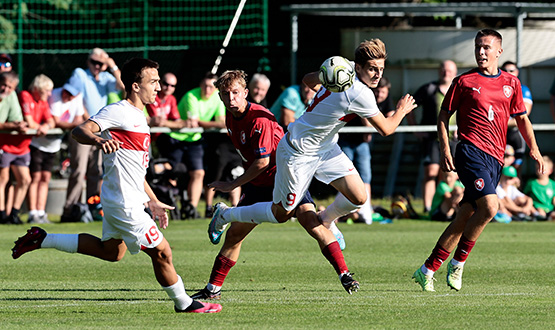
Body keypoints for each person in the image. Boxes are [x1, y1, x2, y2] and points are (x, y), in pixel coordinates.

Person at [11, 57, 222, 314]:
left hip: (122, 198)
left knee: (111, 252)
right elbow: (79, 131)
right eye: (153, 81)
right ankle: (184, 303)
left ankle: (43, 238)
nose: (158, 87)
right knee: (163, 252)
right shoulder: (119, 110)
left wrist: (152, 200)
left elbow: (136, 169)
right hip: (124, 202)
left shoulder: (139, 117)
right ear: (135, 85)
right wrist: (98, 141)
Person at [208, 39, 416, 260]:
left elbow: (308, 80)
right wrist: (401, 110)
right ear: (358, 67)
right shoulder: (360, 93)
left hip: (324, 147)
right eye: (373, 69)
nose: (377, 74)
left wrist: (326, 76)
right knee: (280, 214)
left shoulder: (340, 67)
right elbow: (386, 128)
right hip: (298, 151)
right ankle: (225, 213)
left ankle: (326, 219)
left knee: (358, 197)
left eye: (381, 69)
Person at [192, 70, 359, 299]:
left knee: (311, 222)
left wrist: (232, 185)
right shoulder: (231, 114)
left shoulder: (259, 119)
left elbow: (262, 162)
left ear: (246, 93)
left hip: (286, 177)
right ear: (220, 96)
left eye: (236, 93)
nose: (231, 98)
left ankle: (344, 274)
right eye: (226, 94)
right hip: (258, 184)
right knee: (235, 236)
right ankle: (212, 289)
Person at [412, 29, 544, 292]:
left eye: (486, 47)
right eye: (477, 47)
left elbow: (521, 119)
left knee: (465, 216)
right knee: (490, 207)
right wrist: (445, 149)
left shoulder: (512, 84)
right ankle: (458, 263)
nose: (481, 52)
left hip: (495, 159)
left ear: (498, 51)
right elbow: (443, 115)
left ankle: (428, 268)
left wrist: (535, 148)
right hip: (470, 152)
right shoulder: (464, 81)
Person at [61, 47, 124, 222]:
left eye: (100, 63)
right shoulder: (80, 74)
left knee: (95, 171)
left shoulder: (105, 78)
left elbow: (122, 86)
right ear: (88, 62)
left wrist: (112, 66)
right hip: (83, 129)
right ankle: (70, 209)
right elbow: (71, 96)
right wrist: (85, 118)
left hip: (99, 129)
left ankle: (91, 208)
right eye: (94, 62)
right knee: (78, 170)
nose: (97, 66)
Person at [166, 72, 225, 219]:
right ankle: (170, 207)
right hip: (176, 138)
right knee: (172, 172)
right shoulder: (191, 96)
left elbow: (221, 121)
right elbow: (197, 121)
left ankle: (192, 208)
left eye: (211, 87)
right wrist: (216, 124)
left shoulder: (218, 96)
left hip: (194, 139)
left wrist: (215, 123)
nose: (207, 90)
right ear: (200, 85)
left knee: (199, 173)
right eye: (204, 86)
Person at [408, 60, 458, 213]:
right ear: (438, 71)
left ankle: (446, 208)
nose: (446, 73)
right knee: (431, 172)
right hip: (432, 139)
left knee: (451, 174)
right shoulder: (428, 89)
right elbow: (408, 107)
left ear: (455, 73)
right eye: (443, 70)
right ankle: (427, 207)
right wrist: (415, 129)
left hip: (453, 140)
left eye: (449, 71)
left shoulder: (459, 90)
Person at [20, 74, 56, 224]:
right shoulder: (25, 95)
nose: (49, 94)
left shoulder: (43, 102)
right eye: (46, 91)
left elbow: (51, 122)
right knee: (34, 178)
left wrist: (45, 126)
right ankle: (32, 213)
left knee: (45, 178)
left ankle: (41, 213)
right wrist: (40, 127)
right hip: (31, 145)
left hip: (46, 146)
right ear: (38, 89)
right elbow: (29, 121)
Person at [0, 71, 29, 224]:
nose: (5, 89)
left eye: (10, 87)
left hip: (14, 146)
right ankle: (2, 215)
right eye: (3, 85)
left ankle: (14, 214)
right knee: (3, 179)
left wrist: (20, 124)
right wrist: (10, 125)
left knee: (25, 179)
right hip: (3, 145)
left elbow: (16, 118)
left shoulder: (11, 96)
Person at [501, 61, 533, 172]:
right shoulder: (496, 89)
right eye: (505, 71)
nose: (508, 73)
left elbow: (523, 115)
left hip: (515, 133)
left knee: (516, 169)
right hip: (499, 133)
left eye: (511, 71)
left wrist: (501, 122)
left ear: (517, 72)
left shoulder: (523, 90)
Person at [524, 155, 555, 221]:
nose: (539, 170)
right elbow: (525, 196)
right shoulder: (531, 183)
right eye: (538, 167)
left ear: (550, 170)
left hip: (550, 209)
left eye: (542, 168)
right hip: (537, 208)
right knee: (540, 213)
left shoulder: (553, 184)